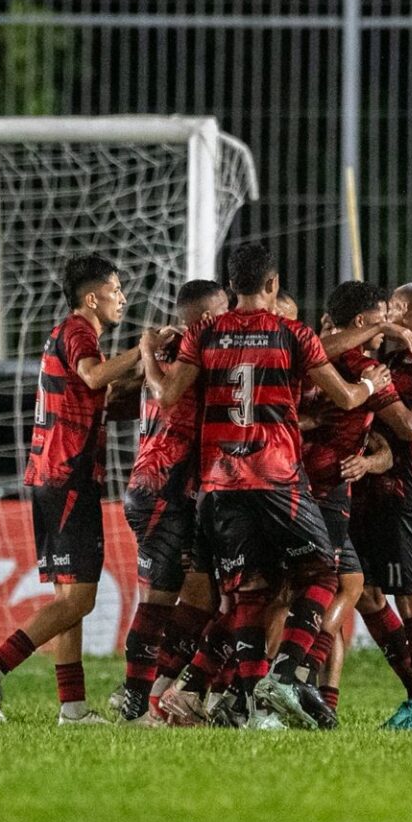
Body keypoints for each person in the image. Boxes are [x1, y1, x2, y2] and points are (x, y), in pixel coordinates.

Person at [141, 243, 391, 729]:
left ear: (232, 285)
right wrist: (370, 387)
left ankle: (249, 705)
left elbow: (167, 396)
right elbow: (342, 396)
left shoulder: (206, 332)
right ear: (273, 285)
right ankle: (285, 672)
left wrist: (151, 360)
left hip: (219, 481)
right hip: (276, 477)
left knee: (250, 592)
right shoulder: (292, 332)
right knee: (322, 573)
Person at [0, 255, 142, 725]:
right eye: (115, 289)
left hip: (53, 476)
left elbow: (99, 396)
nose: (122, 297)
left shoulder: (70, 335)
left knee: (70, 602)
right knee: (78, 600)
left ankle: (73, 709)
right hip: (67, 478)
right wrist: (143, 351)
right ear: (91, 298)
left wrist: (145, 378)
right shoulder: (80, 331)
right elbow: (94, 377)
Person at [296, 281, 412, 726]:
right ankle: (291, 686)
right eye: (384, 314)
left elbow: (383, 443)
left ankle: (318, 699)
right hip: (322, 491)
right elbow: (406, 429)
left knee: (357, 590)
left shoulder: (305, 352)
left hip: (328, 490)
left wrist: (371, 461)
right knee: (335, 590)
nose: (391, 322)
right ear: (364, 322)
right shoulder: (357, 364)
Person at [114, 279, 229, 725]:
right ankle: (135, 704)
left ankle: (153, 690)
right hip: (163, 489)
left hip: (175, 491)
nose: (230, 318)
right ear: (204, 317)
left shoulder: (176, 348)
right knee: (159, 601)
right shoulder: (186, 349)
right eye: (222, 311)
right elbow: (165, 394)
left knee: (201, 598)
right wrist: (144, 350)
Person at [349, 281, 412, 730]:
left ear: (406, 310)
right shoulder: (388, 359)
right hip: (369, 490)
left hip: (408, 493)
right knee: (364, 591)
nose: (385, 310)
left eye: (392, 305)